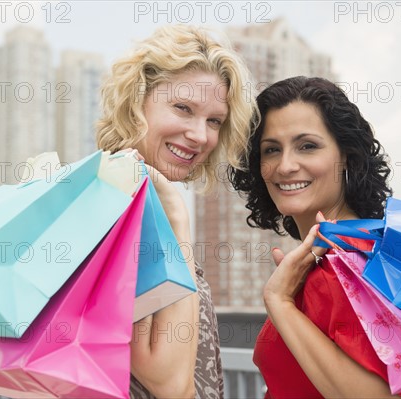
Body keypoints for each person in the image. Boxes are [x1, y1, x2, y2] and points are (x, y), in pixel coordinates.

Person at [229, 76, 401, 398]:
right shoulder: (331, 258)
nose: (285, 165)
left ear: (347, 158)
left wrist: (280, 303)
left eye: (307, 146)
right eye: (271, 150)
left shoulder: (352, 263)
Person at [96, 25, 257, 399]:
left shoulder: (128, 197)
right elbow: (169, 384)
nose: (201, 136)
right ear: (136, 102)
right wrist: (178, 219)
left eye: (214, 121)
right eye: (183, 108)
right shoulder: (118, 207)